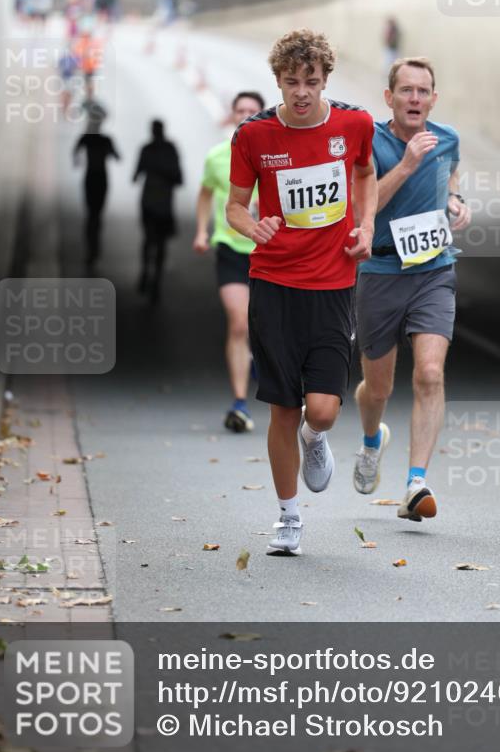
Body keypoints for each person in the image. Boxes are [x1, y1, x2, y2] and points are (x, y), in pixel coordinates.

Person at [226, 29, 377, 556]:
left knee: (322, 411)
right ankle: (288, 518)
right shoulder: (253, 135)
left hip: (333, 284)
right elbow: (234, 206)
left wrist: (367, 226)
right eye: (292, 82)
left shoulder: (354, 124)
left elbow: (366, 173)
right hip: (273, 284)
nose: (302, 92)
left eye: (311, 81)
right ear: (278, 81)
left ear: (325, 80)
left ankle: (316, 440)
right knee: (283, 409)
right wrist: (253, 227)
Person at [352, 57, 471, 522]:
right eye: (406, 90)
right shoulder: (369, 142)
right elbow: (362, 207)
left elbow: (450, 174)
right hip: (380, 270)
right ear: (389, 97)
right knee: (377, 388)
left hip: (433, 269)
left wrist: (456, 200)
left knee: (430, 373)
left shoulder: (447, 138)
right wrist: (406, 165)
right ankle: (371, 441)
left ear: (433, 99)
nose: (415, 99)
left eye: (423, 91)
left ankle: (415, 482)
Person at [193, 92, 266, 433]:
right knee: (239, 322)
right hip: (231, 249)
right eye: (241, 110)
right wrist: (201, 231)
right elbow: (205, 193)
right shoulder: (218, 157)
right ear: (232, 115)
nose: (246, 115)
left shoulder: (276, 157)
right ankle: (239, 402)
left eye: (253, 111)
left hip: (269, 252)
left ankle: (261, 361)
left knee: (267, 325)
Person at [133, 120, 183, 303]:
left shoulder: (147, 149)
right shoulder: (170, 150)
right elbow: (179, 179)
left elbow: (135, 175)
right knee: (161, 243)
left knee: (148, 239)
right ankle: (156, 279)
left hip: (148, 201)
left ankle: (146, 271)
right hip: (163, 204)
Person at [72, 101, 120, 269]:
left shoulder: (87, 138)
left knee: (91, 214)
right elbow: (117, 157)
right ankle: (94, 247)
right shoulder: (105, 140)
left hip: (91, 177)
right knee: (97, 214)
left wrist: (78, 161)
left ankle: (91, 248)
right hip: (101, 178)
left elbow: (75, 154)